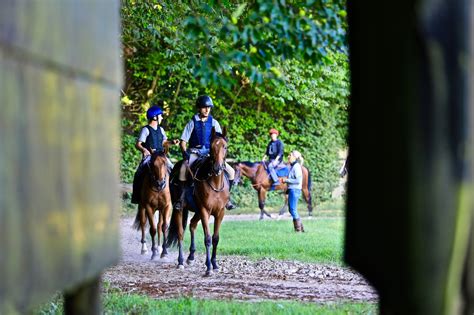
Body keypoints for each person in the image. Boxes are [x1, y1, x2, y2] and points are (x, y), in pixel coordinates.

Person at [174, 95, 236, 210]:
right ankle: (181, 198)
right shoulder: (192, 122)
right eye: (204, 107)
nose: (207, 110)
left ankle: (227, 198)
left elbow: (219, 140)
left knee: (231, 172)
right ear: (199, 108)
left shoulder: (214, 123)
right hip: (195, 152)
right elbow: (183, 142)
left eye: (209, 107)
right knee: (183, 169)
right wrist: (185, 154)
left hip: (210, 153)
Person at [131, 101, 179, 204]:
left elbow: (164, 142)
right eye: (160, 116)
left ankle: (175, 195)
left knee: (174, 170)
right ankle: (137, 196)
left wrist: (172, 142)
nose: (162, 118)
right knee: (139, 173)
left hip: (161, 156)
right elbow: (138, 144)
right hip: (150, 157)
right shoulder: (146, 130)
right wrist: (144, 150)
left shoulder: (161, 130)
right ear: (154, 117)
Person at [283, 150, 305, 232]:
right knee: (291, 209)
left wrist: (286, 180)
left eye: (290, 155)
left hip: (295, 190)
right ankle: (300, 228)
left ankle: (298, 230)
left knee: (293, 209)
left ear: (294, 157)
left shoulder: (296, 166)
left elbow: (298, 180)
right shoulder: (293, 166)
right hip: (292, 190)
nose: (288, 156)